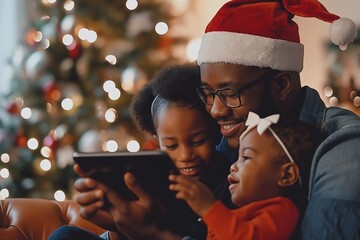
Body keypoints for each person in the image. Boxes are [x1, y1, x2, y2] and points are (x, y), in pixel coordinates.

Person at [58, 0, 360, 239]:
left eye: (228, 92)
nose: (214, 110)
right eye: (207, 93)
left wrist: (151, 234)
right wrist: (124, 220)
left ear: (281, 85)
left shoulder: (343, 149)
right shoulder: (233, 136)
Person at [49, 64, 232, 240]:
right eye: (171, 146)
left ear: (215, 132)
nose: (185, 156)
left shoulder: (228, 180)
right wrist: (116, 223)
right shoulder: (147, 177)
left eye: (198, 141)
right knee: (64, 235)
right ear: (156, 140)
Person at [169, 111, 324, 239]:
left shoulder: (283, 211)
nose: (233, 166)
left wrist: (209, 208)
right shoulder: (240, 213)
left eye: (246, 157)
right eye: (237, 157)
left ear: (287, 175)